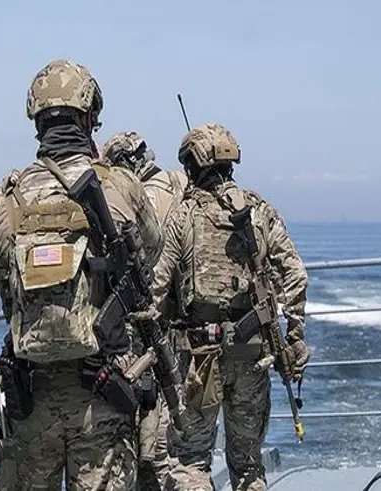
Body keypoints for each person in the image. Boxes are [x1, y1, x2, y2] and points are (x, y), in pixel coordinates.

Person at [0, 58, 163, 490]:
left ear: (37, 120)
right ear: (89, 117)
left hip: (30, 399)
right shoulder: (122, 188)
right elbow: (152, 251)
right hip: (103, 394)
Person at [143, 123, 308, 491]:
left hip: (199, 361)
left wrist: (150, 348)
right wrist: (295, 336)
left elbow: (156, 288)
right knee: (249, 465)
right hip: (252, 357)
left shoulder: (184, 216)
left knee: (189, 463)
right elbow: (295, 275)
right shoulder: (259, 212)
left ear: (192, 165)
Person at [101, 131, 190, 490]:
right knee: (167, 416)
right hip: (175, 321)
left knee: (136, 416)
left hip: (136, 319)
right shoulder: (179, 185)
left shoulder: (124, 194)